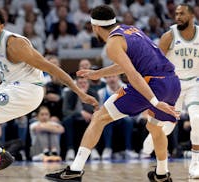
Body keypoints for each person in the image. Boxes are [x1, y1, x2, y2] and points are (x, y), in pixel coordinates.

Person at [0, 8, 98, 182]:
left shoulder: (15, 45)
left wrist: (79, 93)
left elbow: (51, 68)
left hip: (28, 90)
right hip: (8, 87)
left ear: (1, 26)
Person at [45, 5, 180, 182]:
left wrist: (154, 102)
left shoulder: (112, 44)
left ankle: (75, 170)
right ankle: (162, 174)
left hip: (150, 84)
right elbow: (126, 65)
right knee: (154, 128)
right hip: (172, 82)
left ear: (95, 27)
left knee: (99, 117)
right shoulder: (131, 30)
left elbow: (132, 74)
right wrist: (97, 73)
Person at [141, 4, 199, 178]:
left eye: (182, 14)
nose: (178, 16)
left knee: (197, 118)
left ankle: (195, 163)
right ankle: (154, 135)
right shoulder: (169, 36)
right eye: (176, 14)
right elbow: (155, 65)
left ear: (192, 16)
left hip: (195, 84)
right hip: (173, 85)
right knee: (167, 127)